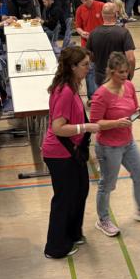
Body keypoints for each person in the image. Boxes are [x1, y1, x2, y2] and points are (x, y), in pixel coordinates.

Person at [90, 52, 140, 237]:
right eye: (121, 72)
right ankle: (103, 219)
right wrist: (115, 123)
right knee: (107, 185)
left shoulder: (129, 86)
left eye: (126, 71)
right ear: (111, 72)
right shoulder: (101, 95)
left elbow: (134, 109)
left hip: (128, 143)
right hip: (108, 147)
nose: (125, 75)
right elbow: (95, 123)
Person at [42, 47, 101, 259]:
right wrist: (85, 127)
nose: (89, 68)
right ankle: (56, 247)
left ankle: (73, 233)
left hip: (72, 152)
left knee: (80, 190)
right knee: (64, 199)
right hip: (59, 154)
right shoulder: (65, 91)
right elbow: (58, 128)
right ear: (72, 67)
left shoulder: (73, 85)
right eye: (85, 64)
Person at [87, 3, 136, 88]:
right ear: (116, 14)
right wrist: (129, 76)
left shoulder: (93, 33)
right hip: (119, 78)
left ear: (102, 15)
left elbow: (88, 56)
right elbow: (131, 58)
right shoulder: (124, 33)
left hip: (100, 78)